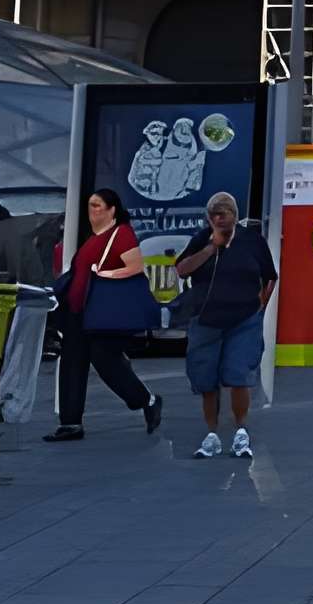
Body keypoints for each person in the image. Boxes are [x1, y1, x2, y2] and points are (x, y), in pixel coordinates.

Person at [46, 188, 164, 441]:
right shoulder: (94, 237)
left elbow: (134, 268)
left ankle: (147, 400)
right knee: (72, 363)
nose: (92, 210)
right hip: (80, 312)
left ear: (112, 209)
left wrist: (107, 274)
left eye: (97, 205)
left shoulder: (121, 234)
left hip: (104, 313)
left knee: (105, 360)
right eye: (90, 205)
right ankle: (70, 423)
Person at [172, 191, 276, 458]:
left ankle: (241, 430)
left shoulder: (251, 240)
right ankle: (211, 433)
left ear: (234, 215)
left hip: (243, 318)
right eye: (213, 214)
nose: (219, 218)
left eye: (224, 213)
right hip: (206, 319)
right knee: (206, 377)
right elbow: (182, 269)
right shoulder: (201, 239)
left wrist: (261, 303)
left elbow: (270, 275)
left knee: (238, 373)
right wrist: (211, 247)